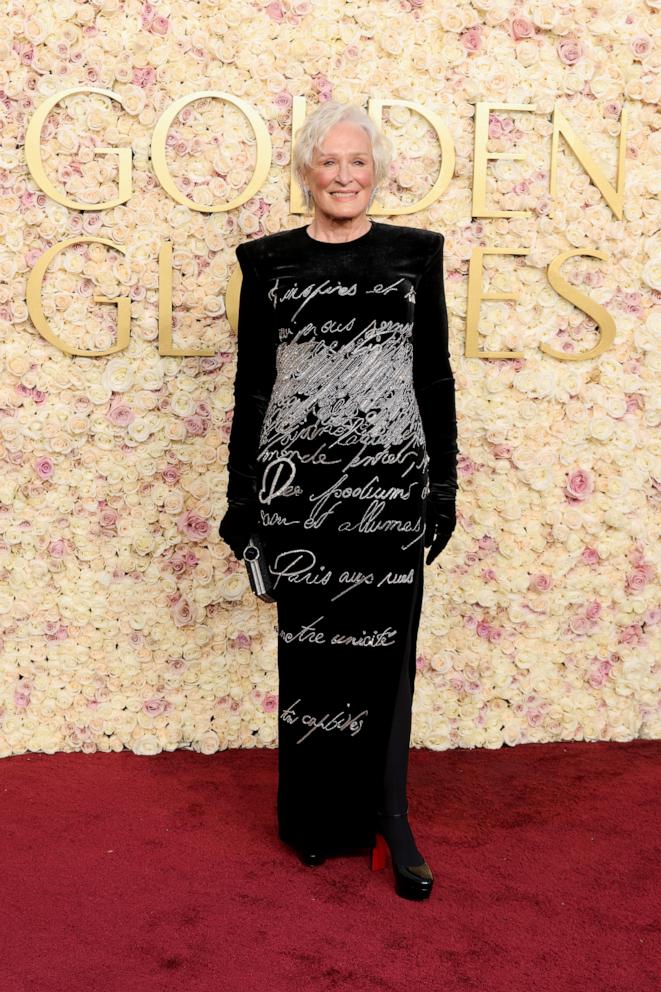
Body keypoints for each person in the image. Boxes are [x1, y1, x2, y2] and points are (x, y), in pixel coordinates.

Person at [219, 101, 458, 901]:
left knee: (385, 656)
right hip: (301, 491)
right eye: (330, 162)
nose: (345, 175)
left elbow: (433, 378)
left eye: (358, 162)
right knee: (312, 650)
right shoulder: (266, 262)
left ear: (376, 172)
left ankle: (389, 817)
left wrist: (442, 487)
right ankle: (316, 819)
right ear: (306, 173)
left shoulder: (415, 256)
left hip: (388, 488)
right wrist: (244, 501)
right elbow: (252, 387)